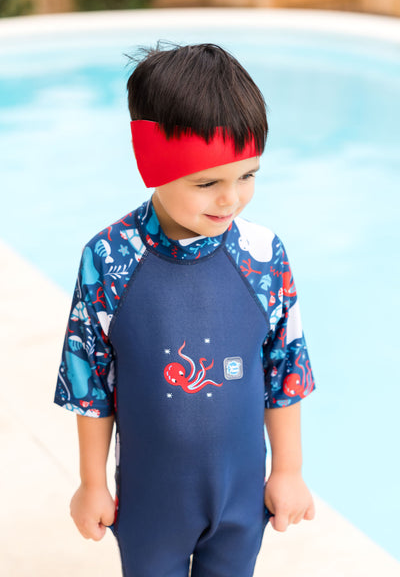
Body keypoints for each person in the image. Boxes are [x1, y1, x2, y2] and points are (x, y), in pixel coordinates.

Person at [54, 42, 316, 577]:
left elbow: (285, 370)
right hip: (151, 505)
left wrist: (288, 470)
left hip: (242, 500)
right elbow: (91, 382)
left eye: (247, 176)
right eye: (207, 183)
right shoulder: (109, 258)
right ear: (152, 165)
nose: (231, 199)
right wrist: (92, 483)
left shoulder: (263, 254)